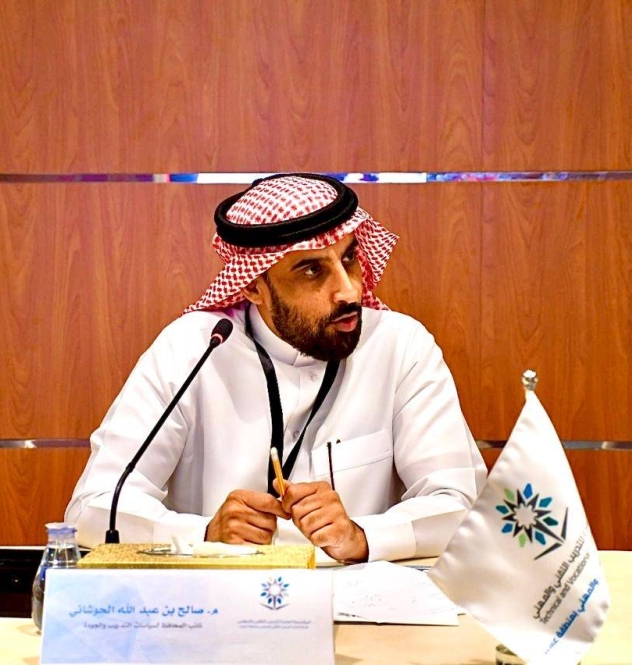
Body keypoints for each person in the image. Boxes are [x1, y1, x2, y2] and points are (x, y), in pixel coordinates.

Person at [66, 173, 486, 562]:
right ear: (253, 286)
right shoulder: (194, 349)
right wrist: (203, 535)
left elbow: (461, 506)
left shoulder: (399, 346)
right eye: (312, 270)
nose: (348, 291)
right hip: (219, 605)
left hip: (356, 607)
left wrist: (362, 536)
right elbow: (94, 507)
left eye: (349, 259)